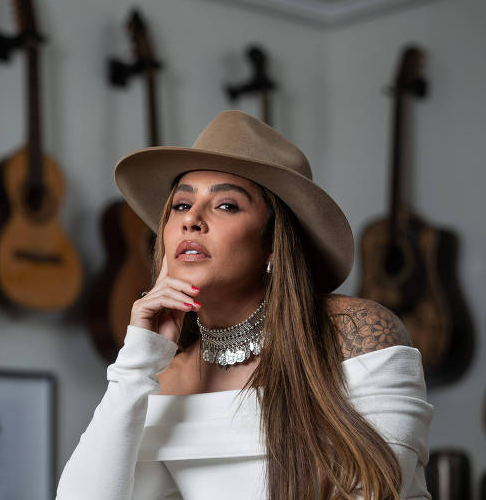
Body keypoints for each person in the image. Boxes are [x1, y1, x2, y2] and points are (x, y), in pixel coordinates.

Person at [57, 110, 433, 499]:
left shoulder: (355, 330)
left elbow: (379, 490)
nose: (192, 221)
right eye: (181, 206)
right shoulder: (165, 377)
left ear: (273, 240)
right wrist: (138, 359)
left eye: (226, 206)